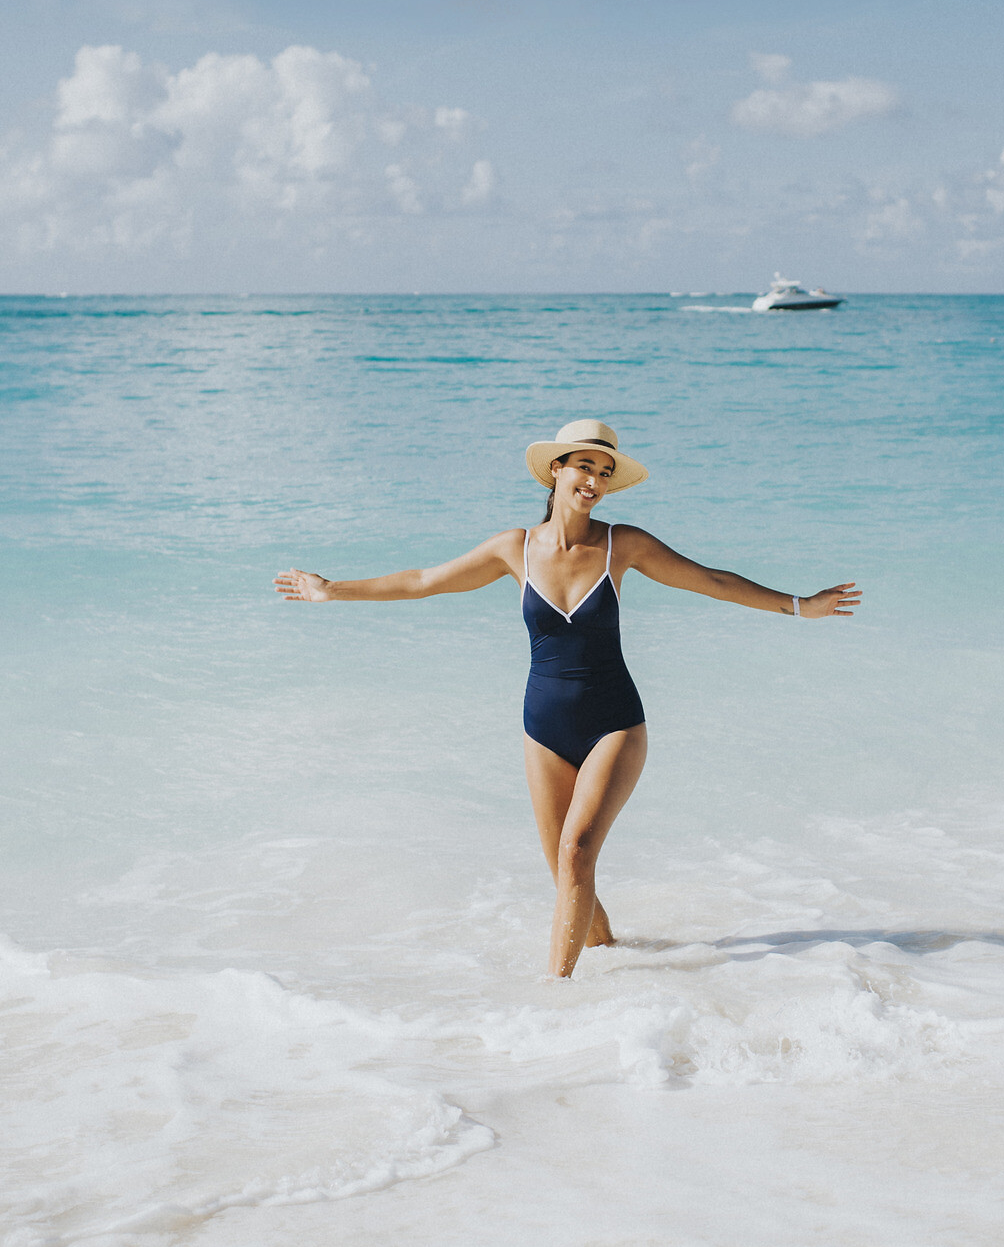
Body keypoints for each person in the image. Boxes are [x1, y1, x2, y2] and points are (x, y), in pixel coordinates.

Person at [275, 419, 860, 978]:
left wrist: (799, 606)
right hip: (543, 731)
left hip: (614, 724)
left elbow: (712, 580)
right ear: (556, 469)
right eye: (585, 466)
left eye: (604, 473)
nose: (594, 482)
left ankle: (554, 996)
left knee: (577, 852)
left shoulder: (622, 545)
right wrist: (333, 590)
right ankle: (612, 959)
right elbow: (424, 581)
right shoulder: (514, 548)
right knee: (565, 870)